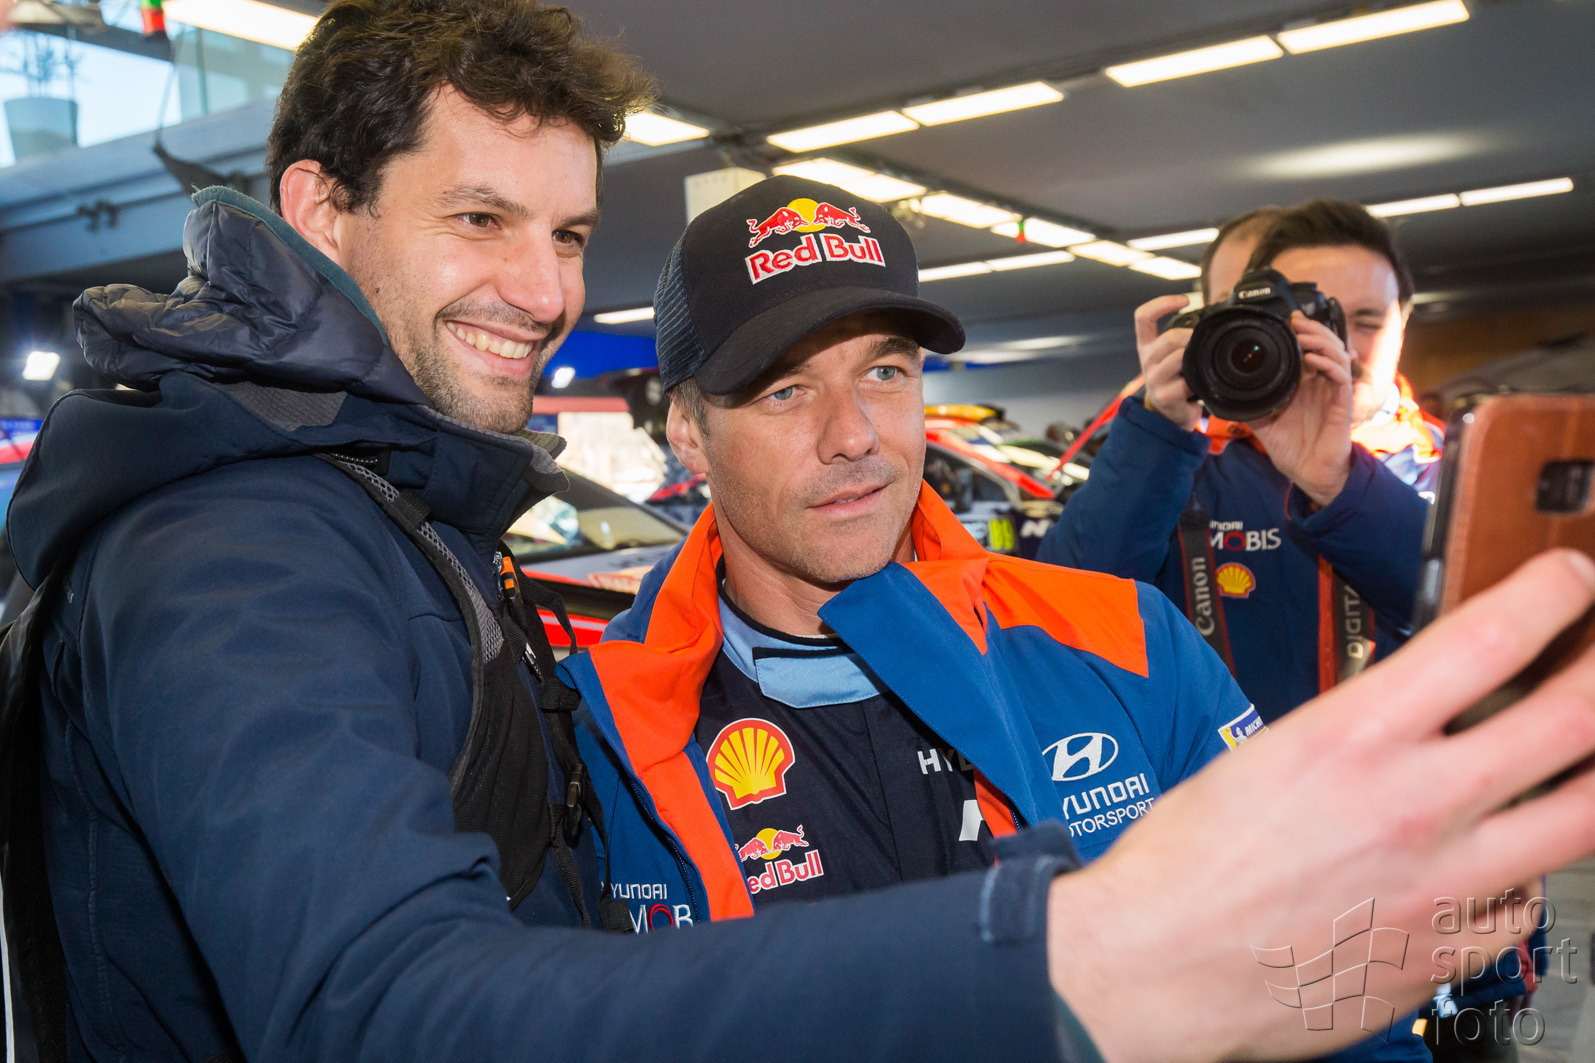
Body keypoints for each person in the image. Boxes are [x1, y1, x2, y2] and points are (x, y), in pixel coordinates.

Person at [7, 2, 1595, 1061]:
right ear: (685, 433)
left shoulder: (1110, 639)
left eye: (887, 370)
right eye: (782, 386)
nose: (544, 289)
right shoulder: (346, 590)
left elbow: (1332, 983)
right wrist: (1074, 955)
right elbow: (398, 1001)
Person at [1039, 200, 1439, 723]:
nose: (1340, 347)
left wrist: (1340, 483)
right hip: (1225, 773)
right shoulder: (1178, 464)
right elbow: (1063, 622)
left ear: (1403, 321)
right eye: (1311, 316)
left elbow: (1495, 618)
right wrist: (1156, 431)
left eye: (1365, 320)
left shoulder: (1457, 463)